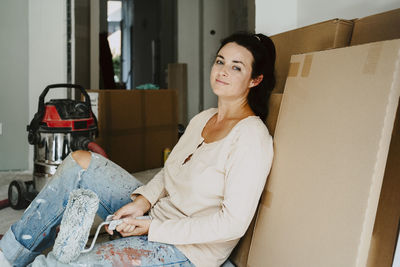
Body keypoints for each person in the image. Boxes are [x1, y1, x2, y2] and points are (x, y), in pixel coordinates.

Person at [0, 32, 276, 267]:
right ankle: (9, 256)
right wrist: (141, 204)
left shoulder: (251, 137)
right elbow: (169, 173)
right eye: (220, 61)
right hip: (155, 216)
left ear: (255, 80)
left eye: (237, 67)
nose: (223, 71)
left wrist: (152, 228)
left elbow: (232, 224)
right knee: (81, 162)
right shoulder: (204, 118)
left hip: (187, 250)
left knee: (77, 263)